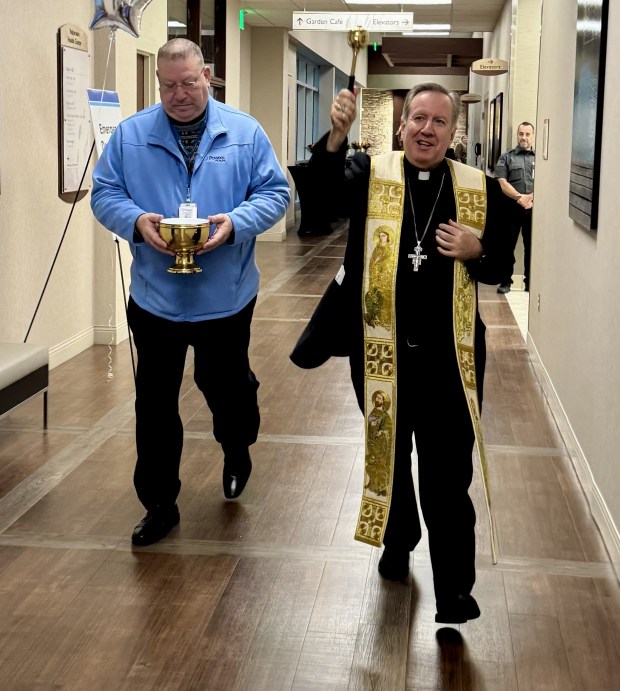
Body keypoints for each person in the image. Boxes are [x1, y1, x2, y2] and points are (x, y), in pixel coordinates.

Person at [290, 83, 513, 624]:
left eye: (439, 121)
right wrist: (336, 138)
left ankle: (455, 589)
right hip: (380, 353)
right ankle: (398, 536)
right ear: (401, 125)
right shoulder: (370, 175)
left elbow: (504, 263)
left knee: (447, 474)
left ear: (454, 133)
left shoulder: (477, 189)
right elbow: (316, 207)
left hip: (449, 363)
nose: (426, 129)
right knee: (388, 458)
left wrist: (477, 249)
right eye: (418, 118)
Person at [91, 38, 290, 547]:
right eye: (168, 85)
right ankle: (159, 504)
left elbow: (275, 193)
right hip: (156, 298)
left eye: (189, 82)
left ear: (208, 76)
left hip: (225, 297)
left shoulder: (244, 133)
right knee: (155, 403)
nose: (179, 94)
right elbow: (105, 193)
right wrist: (135, 221)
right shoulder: (132, 136)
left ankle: (237, 445)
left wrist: (235, 224)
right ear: (159, 82)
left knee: (227, 390)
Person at [494, 122, 535, 293]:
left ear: (532, 136)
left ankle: (529, 283)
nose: (523, 137)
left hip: (533, 209)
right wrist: (520, 198)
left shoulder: (539, 158)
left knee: (531, 247)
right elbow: (502, 182)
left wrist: (531, 197)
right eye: (521, 134)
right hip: (511, 209)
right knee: (507, 247)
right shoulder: (507, 157)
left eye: (527, 134)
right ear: (517, 135)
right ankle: (505, 282)